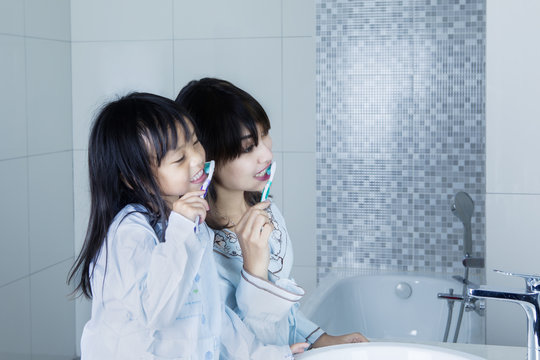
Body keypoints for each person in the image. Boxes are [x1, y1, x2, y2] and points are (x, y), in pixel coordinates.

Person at [67, 92, 306, 359]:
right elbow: (159, 311)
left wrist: (264, 354)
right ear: (134, 178)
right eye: (179, 159)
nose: (196, 159)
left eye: (195, 142)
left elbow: (214, 316)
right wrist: (180, 231)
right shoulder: (128, 233)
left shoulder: (189, 224)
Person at [176, 78, 368, 348]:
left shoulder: (268, 211)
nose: (267, 153)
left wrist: (321, 340)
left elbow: (283, 308)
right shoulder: (192, 241)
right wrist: (253, 272)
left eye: (264, 134)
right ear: (206, 157)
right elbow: (223, 343)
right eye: (247, 147)